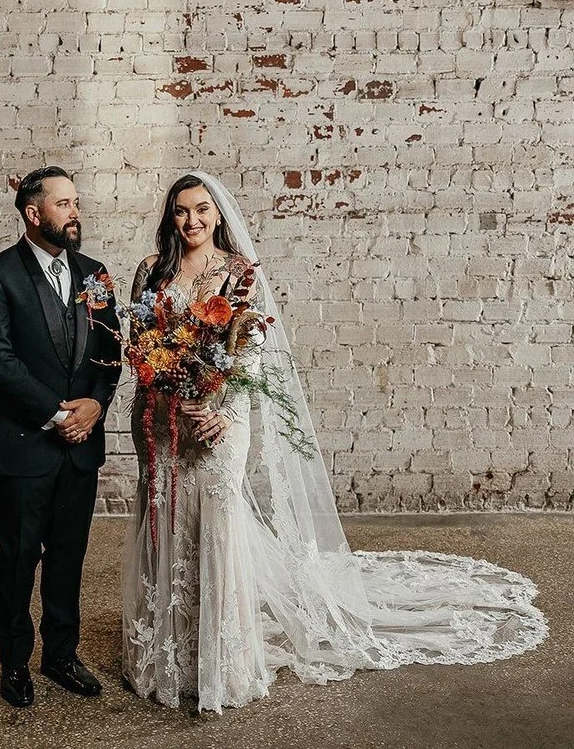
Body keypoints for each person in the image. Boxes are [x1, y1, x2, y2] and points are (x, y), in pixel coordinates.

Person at [121, 170, 548, 714]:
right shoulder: (151, 271)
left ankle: (220, 662)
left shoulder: (237, 273)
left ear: (218, 213)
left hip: (220, 420)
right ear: (170, 217)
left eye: (202, 209)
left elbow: (249, 353)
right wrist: (167, 387)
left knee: (217, 528)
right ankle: (169, 654)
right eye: (181, 211)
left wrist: (224, 412)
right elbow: (141, 346)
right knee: (166, 522)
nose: (192, 220)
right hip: (162, 421)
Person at [0, 166, 121, 707]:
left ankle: (61, 655)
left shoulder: (95, 273)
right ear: (33, 214)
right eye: (64, 204)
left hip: (82, 447)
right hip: (23, 445)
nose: (75, 212)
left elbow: (111, 352)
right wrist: (59, 416)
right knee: (18, 557)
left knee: (67, 555)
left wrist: (96, 405)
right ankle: (14, 662)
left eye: (76, 202)